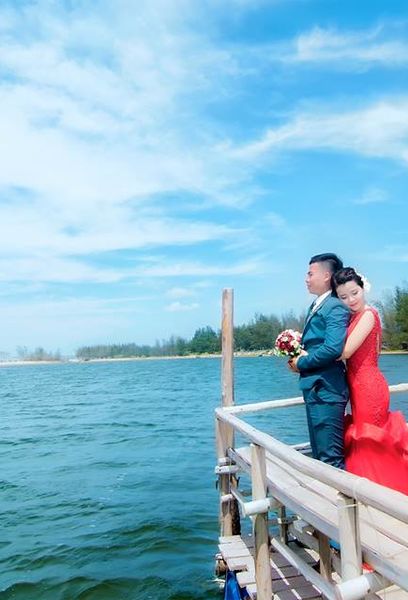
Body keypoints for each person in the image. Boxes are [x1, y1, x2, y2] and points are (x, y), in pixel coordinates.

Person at [332, 267, 408, 494]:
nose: (350, 300)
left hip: (369, 387)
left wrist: (312, 356)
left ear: (363, 288)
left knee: (370, 440)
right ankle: (374, 492)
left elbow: (346, 351)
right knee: (367, 440)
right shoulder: (353, 317)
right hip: (358, 386)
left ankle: (384, 493)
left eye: (354, 293)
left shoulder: (368, 315)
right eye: (343, 297)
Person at [289, 253, 350, 469]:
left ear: (326, 276)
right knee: (319, 454)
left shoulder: (334, 306)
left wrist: (301, 364)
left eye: (310, 274)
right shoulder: (317, 304)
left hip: (326, 389)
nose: (306, 279)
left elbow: (332, 348)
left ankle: (340, 492)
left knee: (330, 458)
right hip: (315, 388)